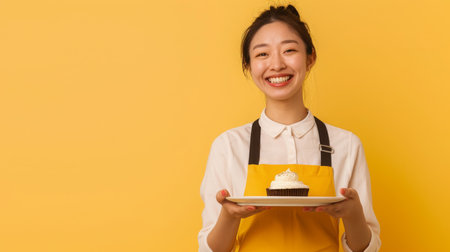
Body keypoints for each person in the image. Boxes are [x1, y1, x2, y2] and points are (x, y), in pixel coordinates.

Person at [198, 5, 380, 252]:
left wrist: (353, 213)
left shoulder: (346, 144)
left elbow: (366, 248)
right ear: (248, 65)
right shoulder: (229, 146)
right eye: (262, 54)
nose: (276, 64)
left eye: (289, 50)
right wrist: (229, 216)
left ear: (310, 57)